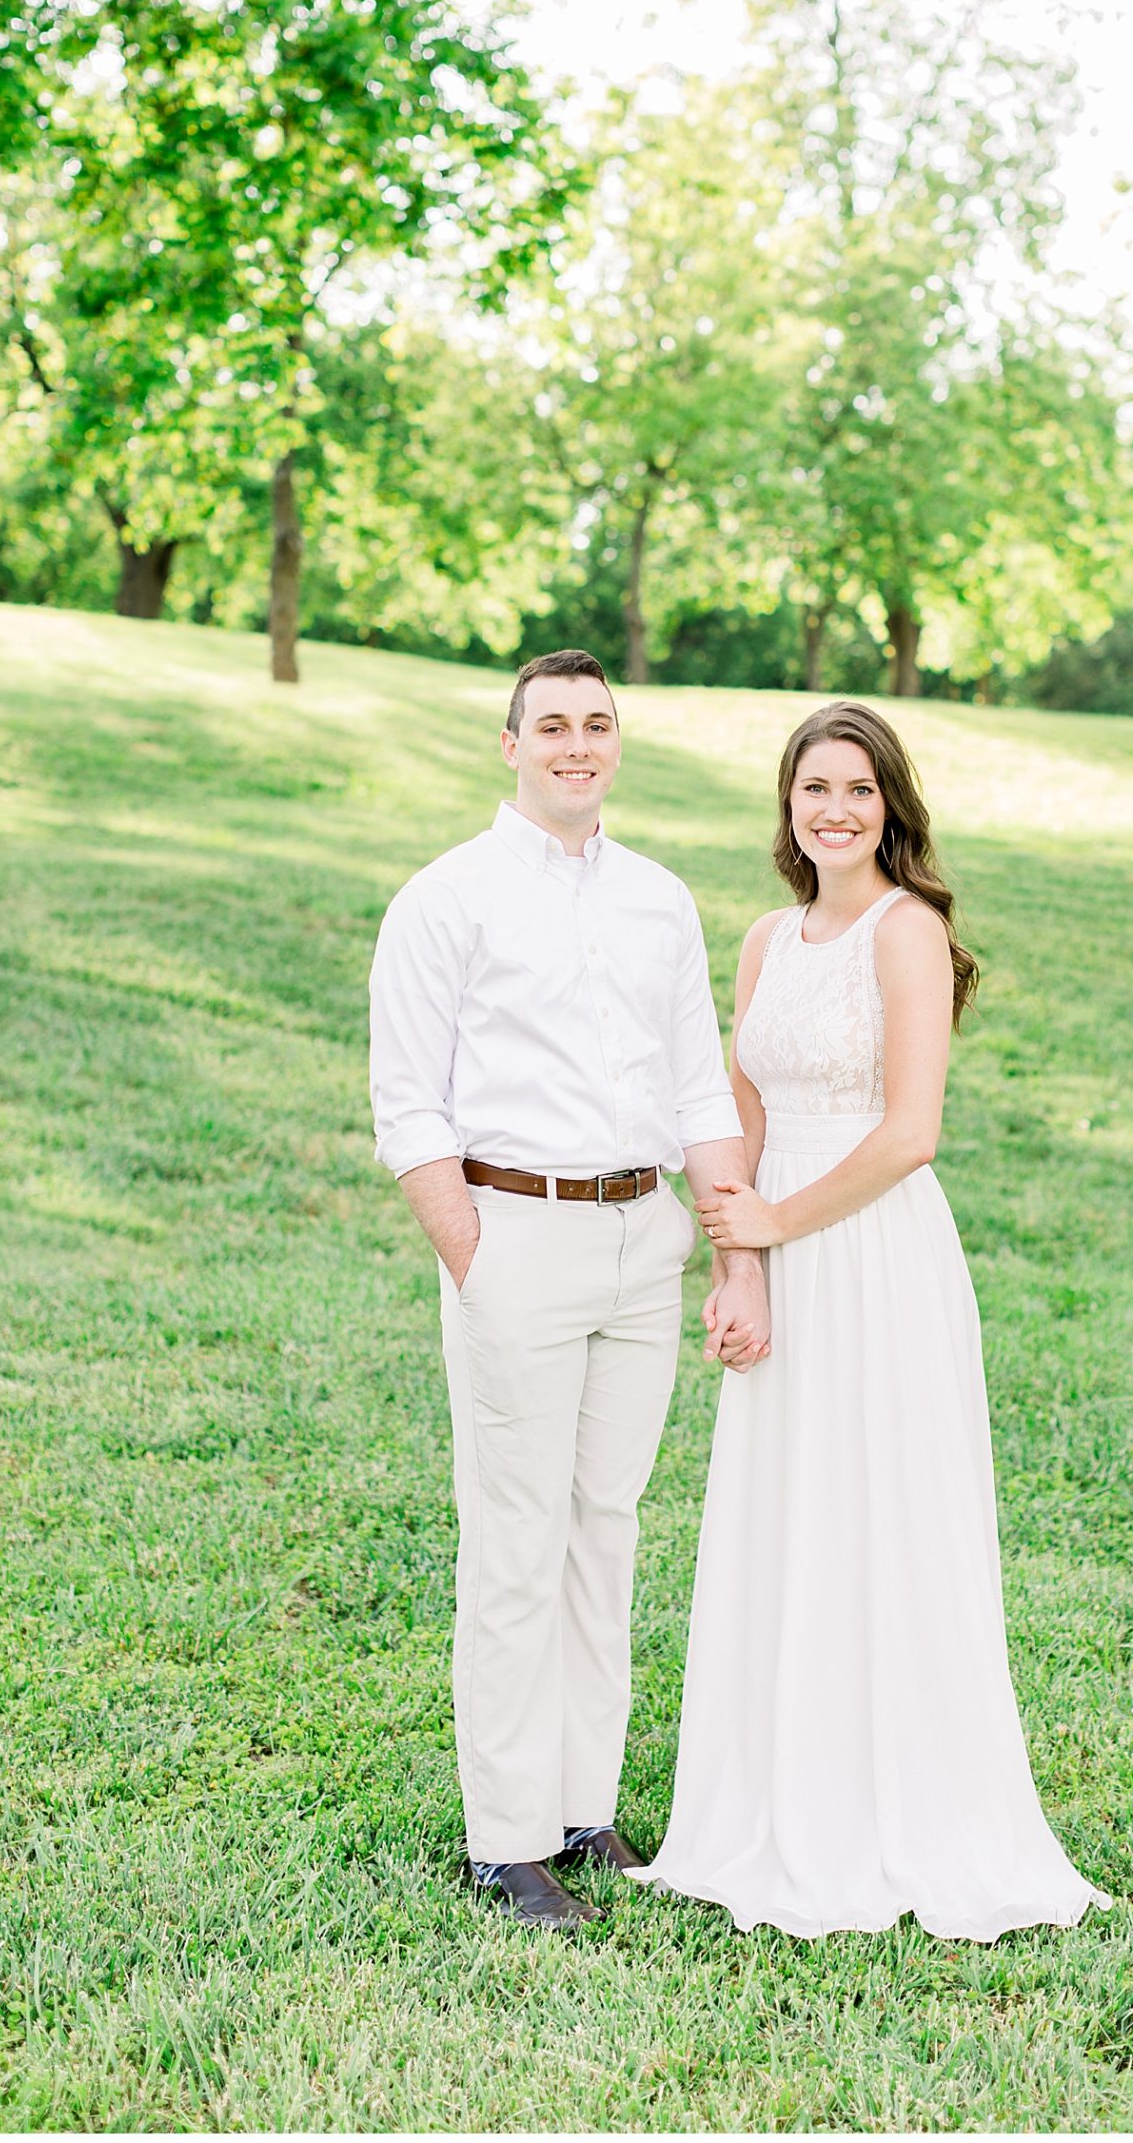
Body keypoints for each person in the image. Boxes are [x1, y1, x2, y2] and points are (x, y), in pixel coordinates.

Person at [635, 701, 1110, 1941]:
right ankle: (777, 1794)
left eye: (857, 788)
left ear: (891, 804)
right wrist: (739, 1268)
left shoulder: (911, 932)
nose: (834, 809)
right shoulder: (761, 939)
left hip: (874, 1252)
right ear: (787, 809)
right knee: (783, 1512)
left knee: (879, 1510)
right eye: (813, 790)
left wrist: (782, 1226)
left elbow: (912, 1132)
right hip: (778, 1245)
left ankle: (897, 1801)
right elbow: (731, 1116)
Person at [368, 648, 771, 1932]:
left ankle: (585, 1811)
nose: (577, 744)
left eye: (597, 724)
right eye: (552, 725)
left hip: (639, 1232)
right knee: (516, 1534)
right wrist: (474, 1258)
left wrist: (729, 1241)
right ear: (510, 743)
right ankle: (503, 1840)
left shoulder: (658, 899)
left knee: (607, 1523)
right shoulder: (446, 899)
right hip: (514, 1234)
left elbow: (700, 1087)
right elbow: (406, 1108)